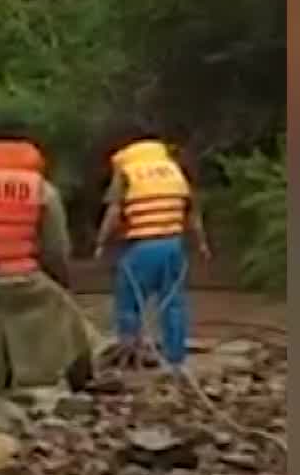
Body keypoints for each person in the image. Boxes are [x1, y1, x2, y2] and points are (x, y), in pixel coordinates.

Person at [0, 121, 94, 395]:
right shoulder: (41, 189)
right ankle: (79, 385)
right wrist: (62, 283)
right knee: (72, 325)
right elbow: (56, 249)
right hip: (24, 279)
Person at [90, 123, 212, 367]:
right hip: (174, 245)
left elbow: (114, 211)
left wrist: (101, 243)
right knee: (173, 302)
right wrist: (201, 244)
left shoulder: (127, 169)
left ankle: (129, 354)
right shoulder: (173, 168)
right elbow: (192, 211)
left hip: (143, 246)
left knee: (129, 300)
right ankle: (176, 359)